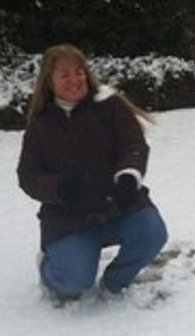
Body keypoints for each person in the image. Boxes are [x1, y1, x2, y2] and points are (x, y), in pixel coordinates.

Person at [17, 44, 168, 301]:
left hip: (117, 204)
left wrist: (129, 177)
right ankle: (50, 269)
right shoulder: (40, 125)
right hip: (69, 219)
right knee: (73, 283)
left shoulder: (110, 107)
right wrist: (59, 187)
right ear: (49, 82)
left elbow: (133, 145)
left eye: (79, 72)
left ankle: (114, 284)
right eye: (64, 74)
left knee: (152, 233)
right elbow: (28, 175)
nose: (75, 80)